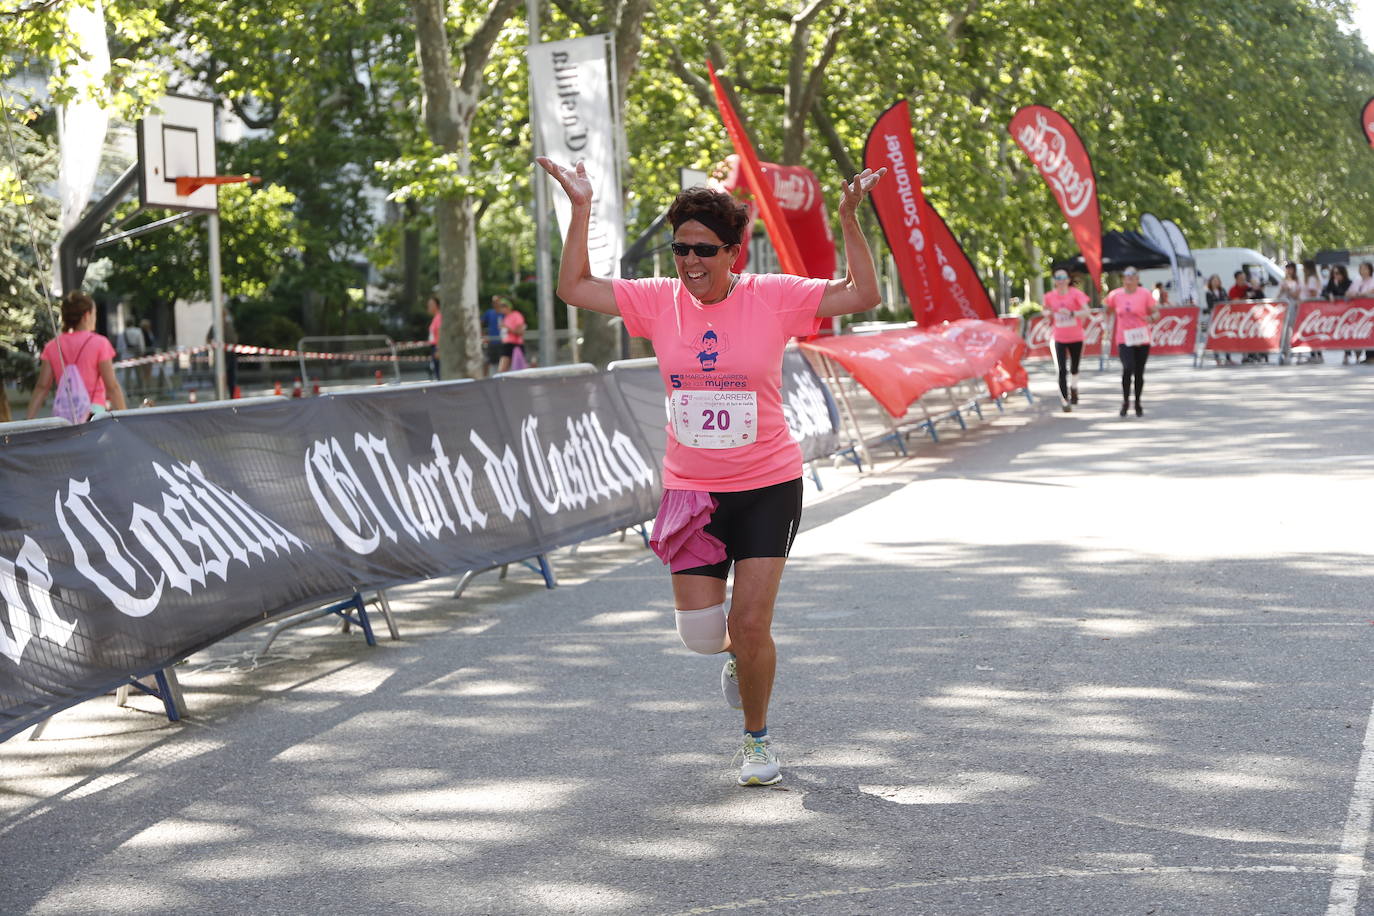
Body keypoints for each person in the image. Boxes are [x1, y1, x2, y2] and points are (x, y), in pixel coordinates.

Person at [537, 154, 885, 787]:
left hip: (767, 484)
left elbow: (864, 294)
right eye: (680, 249)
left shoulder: (774, 297)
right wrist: (580, 208)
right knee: (704, 636)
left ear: (734, 254)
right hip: (691, 490)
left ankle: (756, 740)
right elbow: (574, 287)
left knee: (751, 623)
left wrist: (849, 219)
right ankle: (735, 658)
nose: (690, 262)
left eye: (703, 249)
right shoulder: (656, 302)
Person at [27, 291, 128, 420]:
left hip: (63, 415)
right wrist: (125, 417)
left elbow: (42, 387)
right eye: (94, 314)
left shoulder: (53, 346)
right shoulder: (100, 343)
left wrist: (28, 420)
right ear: (87, 316)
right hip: (93, 413)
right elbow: (112, 387)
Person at [1105, 266, 1159, 417]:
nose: (1129, 277)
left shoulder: (1145, 294)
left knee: (1139, 372)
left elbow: (1156, 313)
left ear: (1137, 279)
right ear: (1123, 278)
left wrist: (1151, 318)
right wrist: (1106, 326)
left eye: (1132, 275)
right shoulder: (1115, 295)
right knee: (1128, 368)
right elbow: (1107, 311)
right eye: (1126, 275)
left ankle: (1137, 402)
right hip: (1124, 338)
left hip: (1142, 336)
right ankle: (1125, 401)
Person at [1044, 269, 1091, 411]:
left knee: (1074, 368)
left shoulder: (1076, 294)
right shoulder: (1049, 296)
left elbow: (1087, 311)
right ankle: (1065, 399)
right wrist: (1048, 313)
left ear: (1068, 280)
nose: (1061, 280)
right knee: (1061, 370)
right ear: (1054, 280)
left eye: (1064, 277)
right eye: (1058, 277)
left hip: (1076, 336)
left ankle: (1074, 387)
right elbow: (1045, 310)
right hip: (1058, 337)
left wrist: (1072, 313)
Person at [1322, 265, 1355, 364]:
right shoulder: (1332, 282)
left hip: (1347, 313)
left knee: (1347, 332)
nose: (1336, 276)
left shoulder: (1348, 283)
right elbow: (1324, 292)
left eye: (1338, 273)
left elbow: (1346, 294)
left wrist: (1336, 290)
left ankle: (1347, 353)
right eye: (1334, 274)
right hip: (1335, 314)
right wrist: (1329, 294)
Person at [496, 297, 526, 373]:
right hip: (506, 345)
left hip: (515, 345)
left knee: (517, 370)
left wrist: (508, 329)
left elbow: (520, 332)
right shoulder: (505, 318)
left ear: (508, 306)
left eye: (502, 306)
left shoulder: (516, 315)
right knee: (503, 370)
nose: (501, 309)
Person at [482, 297, 505, 376]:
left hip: (502, 341)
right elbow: (481, 323)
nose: (496, 304)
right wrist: (483, 335)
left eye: (497, 302)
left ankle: (501, 377)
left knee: (502, 361)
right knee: (488, 361)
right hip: (491, 341)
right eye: (494, 302)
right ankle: (485, 379)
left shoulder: (504, 313)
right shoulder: (489, 312)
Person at [426, 295, 442, 379]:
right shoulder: (435, 318)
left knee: (439, 372)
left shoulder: (439, 317)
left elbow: (440, 332)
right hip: (434, 347)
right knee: (437, 372)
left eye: (431, 304)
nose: (429, 307)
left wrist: (439, 349)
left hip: (436, 347)